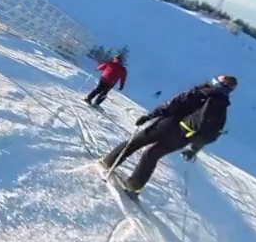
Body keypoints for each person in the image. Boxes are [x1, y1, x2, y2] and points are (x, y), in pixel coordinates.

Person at [99, 75, 236, 195]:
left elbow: (172, 104)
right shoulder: (222, 108)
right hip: (183, 137)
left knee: (135, 142)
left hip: (166, 125)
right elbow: (209, 132)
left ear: (219, 84)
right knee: (152, 154)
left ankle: (108, 162)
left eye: (215, 80)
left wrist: (149, 116)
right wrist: (193, 149)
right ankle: (135, 185)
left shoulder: (202, 92)